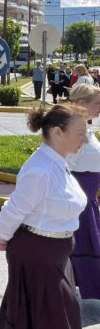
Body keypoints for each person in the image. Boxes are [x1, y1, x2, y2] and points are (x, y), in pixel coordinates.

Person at [0, 104, 88, 329]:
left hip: (56, 254)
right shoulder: (40, 169)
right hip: (38, 255)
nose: (85, 138)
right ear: (58, 132)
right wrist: (2, 237)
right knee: (55, 324)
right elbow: (13, 210)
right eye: (80, 133)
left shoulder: (58, 161)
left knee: (46, 320)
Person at [67, 84, 100, 300]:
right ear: (81, 104)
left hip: (89, 201)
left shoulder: (87, 130)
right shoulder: (76, 133)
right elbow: (65, 169)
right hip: (81, 204)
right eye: (97, 103)